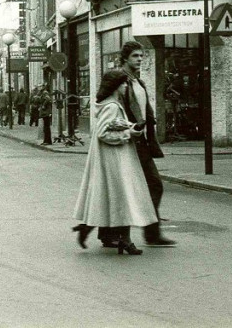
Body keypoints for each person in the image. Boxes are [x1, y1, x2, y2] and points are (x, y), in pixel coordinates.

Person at [99, 41, 175, 248]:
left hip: (140, 140)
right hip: (127, 139)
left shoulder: (138, 82)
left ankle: (138, 232)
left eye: (141, 56)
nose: (140, 59)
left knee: (148, 185)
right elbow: (109, 107)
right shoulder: (120, 82)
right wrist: (125, 130)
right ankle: (144, 233)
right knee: (140, 185)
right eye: (135, 56)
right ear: (125, 58)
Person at [72, 70, 158, 255]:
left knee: (116, 199)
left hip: (114, 158)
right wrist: (129, 134)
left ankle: (89, 229)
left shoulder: (112, 105)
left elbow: (114, 125)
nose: (126, 87)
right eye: (124, 84)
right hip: (115, 160)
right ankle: (124, 241)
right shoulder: (112, 106)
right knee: (124, 197)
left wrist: (130, 127)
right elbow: (104, 132)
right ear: (116, 86)